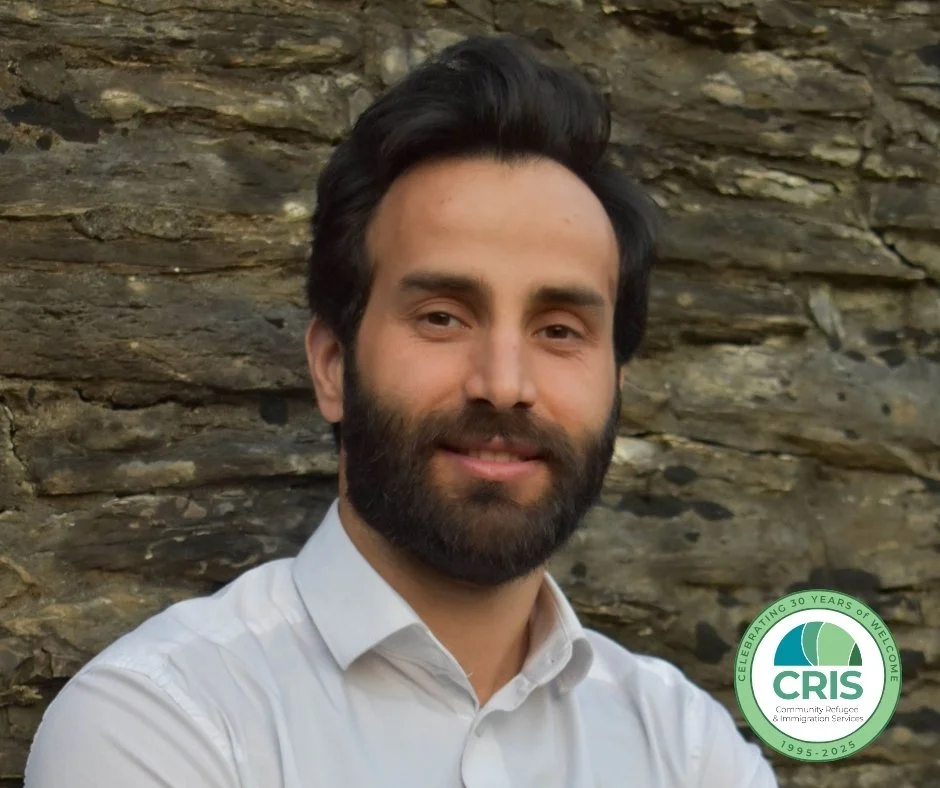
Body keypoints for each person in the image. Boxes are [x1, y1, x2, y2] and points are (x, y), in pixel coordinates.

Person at [25, 35, 778, 787]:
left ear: (616, 384)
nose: (503, 384)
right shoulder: (163, 724)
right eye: (442, 317)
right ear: (332, 365)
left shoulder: (686, 748)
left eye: (558, 330)